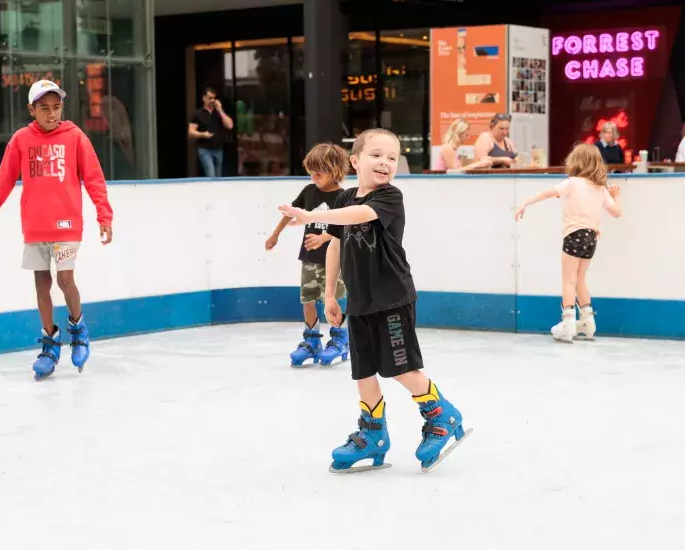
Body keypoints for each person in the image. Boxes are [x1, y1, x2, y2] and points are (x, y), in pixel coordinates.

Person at [278, 129, 471, 474]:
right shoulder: (344, 198)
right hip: (360, 300)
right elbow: (335, 244)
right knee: (363, 369)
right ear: (355, 161)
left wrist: (311, 217)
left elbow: (360, 216)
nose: (384, 162)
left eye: (392, 158)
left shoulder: (389, 197)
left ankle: (442, 415)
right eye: (376, 155)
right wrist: (330, 295)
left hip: (392, 298)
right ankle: (373, 435)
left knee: (400, 368)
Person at [0, 79, 114, 380]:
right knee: (41, 284)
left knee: (64, 278)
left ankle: (78, 329)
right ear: (31, 109)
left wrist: (104, 216)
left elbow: (95, 179)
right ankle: (50, 344)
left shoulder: (75, 137)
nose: (51, 114)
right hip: (35, 226)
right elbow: (4, 183)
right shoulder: (21, 140)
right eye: (44, 108)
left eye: (56, 108)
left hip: (67, 224)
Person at [514, 143, 622, 342]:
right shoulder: (600, 188)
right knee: (580, 279)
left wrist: (525, 202)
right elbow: (617, 212)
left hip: (573, 235)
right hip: (591, 237)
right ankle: (588, 322)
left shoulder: (572, 183)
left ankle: (568, 323)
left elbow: (546, 193)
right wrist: (616, 197)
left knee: (569, 280)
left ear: (576, 161)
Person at [266, 143, 349, 367]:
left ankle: (340, 338)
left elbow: (346, 229)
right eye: (311, 170)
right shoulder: (309, 191)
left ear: (335, 170)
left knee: (335, 299)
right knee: (309, 299)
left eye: (319, 170)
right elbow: (291, 213)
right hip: (310, 259)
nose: (314, 175)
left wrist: (324, 238)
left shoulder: (343, 197)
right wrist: (275, 235)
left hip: (335, 261)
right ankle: (311, 341)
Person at [188, 87, 234, 178]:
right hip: (204, 149)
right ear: (204, 98)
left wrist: (220, 110)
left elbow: (230, 126)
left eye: (214, 98)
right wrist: (203, 134)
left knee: (218, 176)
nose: (212, 101)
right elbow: (191, 132)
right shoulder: (198, 114)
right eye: (210, 98)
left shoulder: (219, 113)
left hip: (218, 149)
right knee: (211, 174)